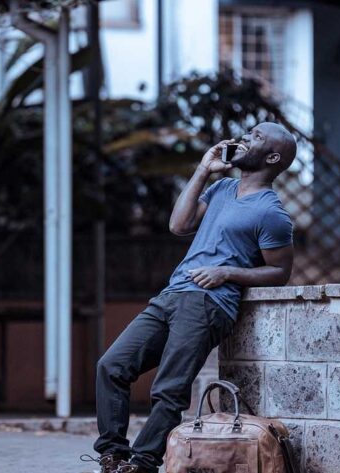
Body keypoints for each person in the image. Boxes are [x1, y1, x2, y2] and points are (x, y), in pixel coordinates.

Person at [85, 122, 297, 473]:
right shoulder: (222, 188)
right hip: (172, 295)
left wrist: (227, 272)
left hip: (209, 304)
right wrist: (203, 169)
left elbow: (280, 272)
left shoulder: (272, 213)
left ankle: (143, 463)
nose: (245, 138)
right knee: (112, 366)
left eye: (256, 137)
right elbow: (179, 225)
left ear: (273, 157)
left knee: (169, 388)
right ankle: (113, 456)